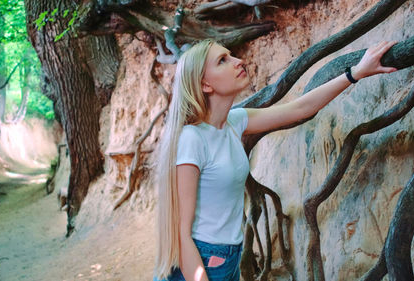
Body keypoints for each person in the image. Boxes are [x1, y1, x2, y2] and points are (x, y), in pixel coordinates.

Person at [153, 39, 397, 281]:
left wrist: (356, 73)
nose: (238, 62)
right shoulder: (191, 139)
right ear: (205, 84)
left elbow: (301, 109)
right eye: (222, 61)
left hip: (228, 257)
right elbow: (181, 234)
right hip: (198, 261)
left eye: (231, 55)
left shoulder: (235, 122)